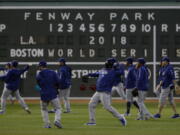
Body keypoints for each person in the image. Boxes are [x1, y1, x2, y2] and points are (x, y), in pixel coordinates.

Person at [84, 58, 127, 126]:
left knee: (108, 107)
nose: (106, 64)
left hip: (105, 92)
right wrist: (88, 75)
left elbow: (122, 72)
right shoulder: (103, 69)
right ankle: (92, 121)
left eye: (108, 63)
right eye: (106, 63)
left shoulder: (114, 71)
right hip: (98, 92)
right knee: (91, 105)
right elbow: (96, 74)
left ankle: (121, 118)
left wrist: (120, 65)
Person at [36, 61, 62, 128]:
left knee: (44, 109)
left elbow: (39, 85)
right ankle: (57, 120)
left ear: (41, 66)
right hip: (52, 93)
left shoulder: (38, 74)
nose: (38, 67)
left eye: (39, 66)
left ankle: (47, 124)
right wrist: (57, 89)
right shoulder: (53, 72)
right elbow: (58, 82)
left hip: (43, 94)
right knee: (58, 108)